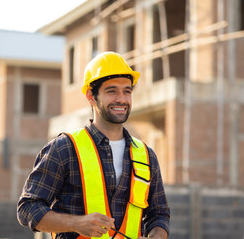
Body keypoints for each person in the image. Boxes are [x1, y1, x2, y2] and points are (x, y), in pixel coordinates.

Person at [17, 51, 170, 239]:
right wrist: (76, 224)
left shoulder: (146, 156)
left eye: (127, 91)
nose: (121, 99)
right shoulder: (64, 148)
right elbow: (28, 208)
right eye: (111, 91)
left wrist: (156, 236)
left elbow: (159, 214)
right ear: (91, 96)